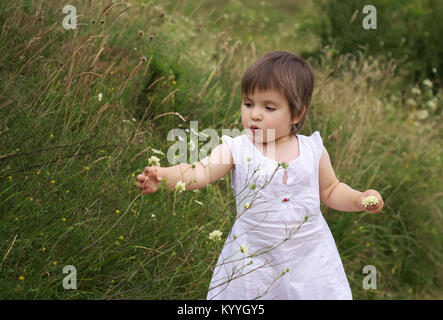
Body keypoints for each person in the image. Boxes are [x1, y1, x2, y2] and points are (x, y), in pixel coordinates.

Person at [135, 50, 384, 300]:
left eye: (268, 107)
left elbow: (331, 190)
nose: (255, 114)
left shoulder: (312, 150)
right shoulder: (237, 148)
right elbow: (199, 171)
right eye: (248, 103)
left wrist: (360, 199)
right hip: (253, 260)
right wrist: (164, 176)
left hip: (310, 259)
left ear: (296, 114)